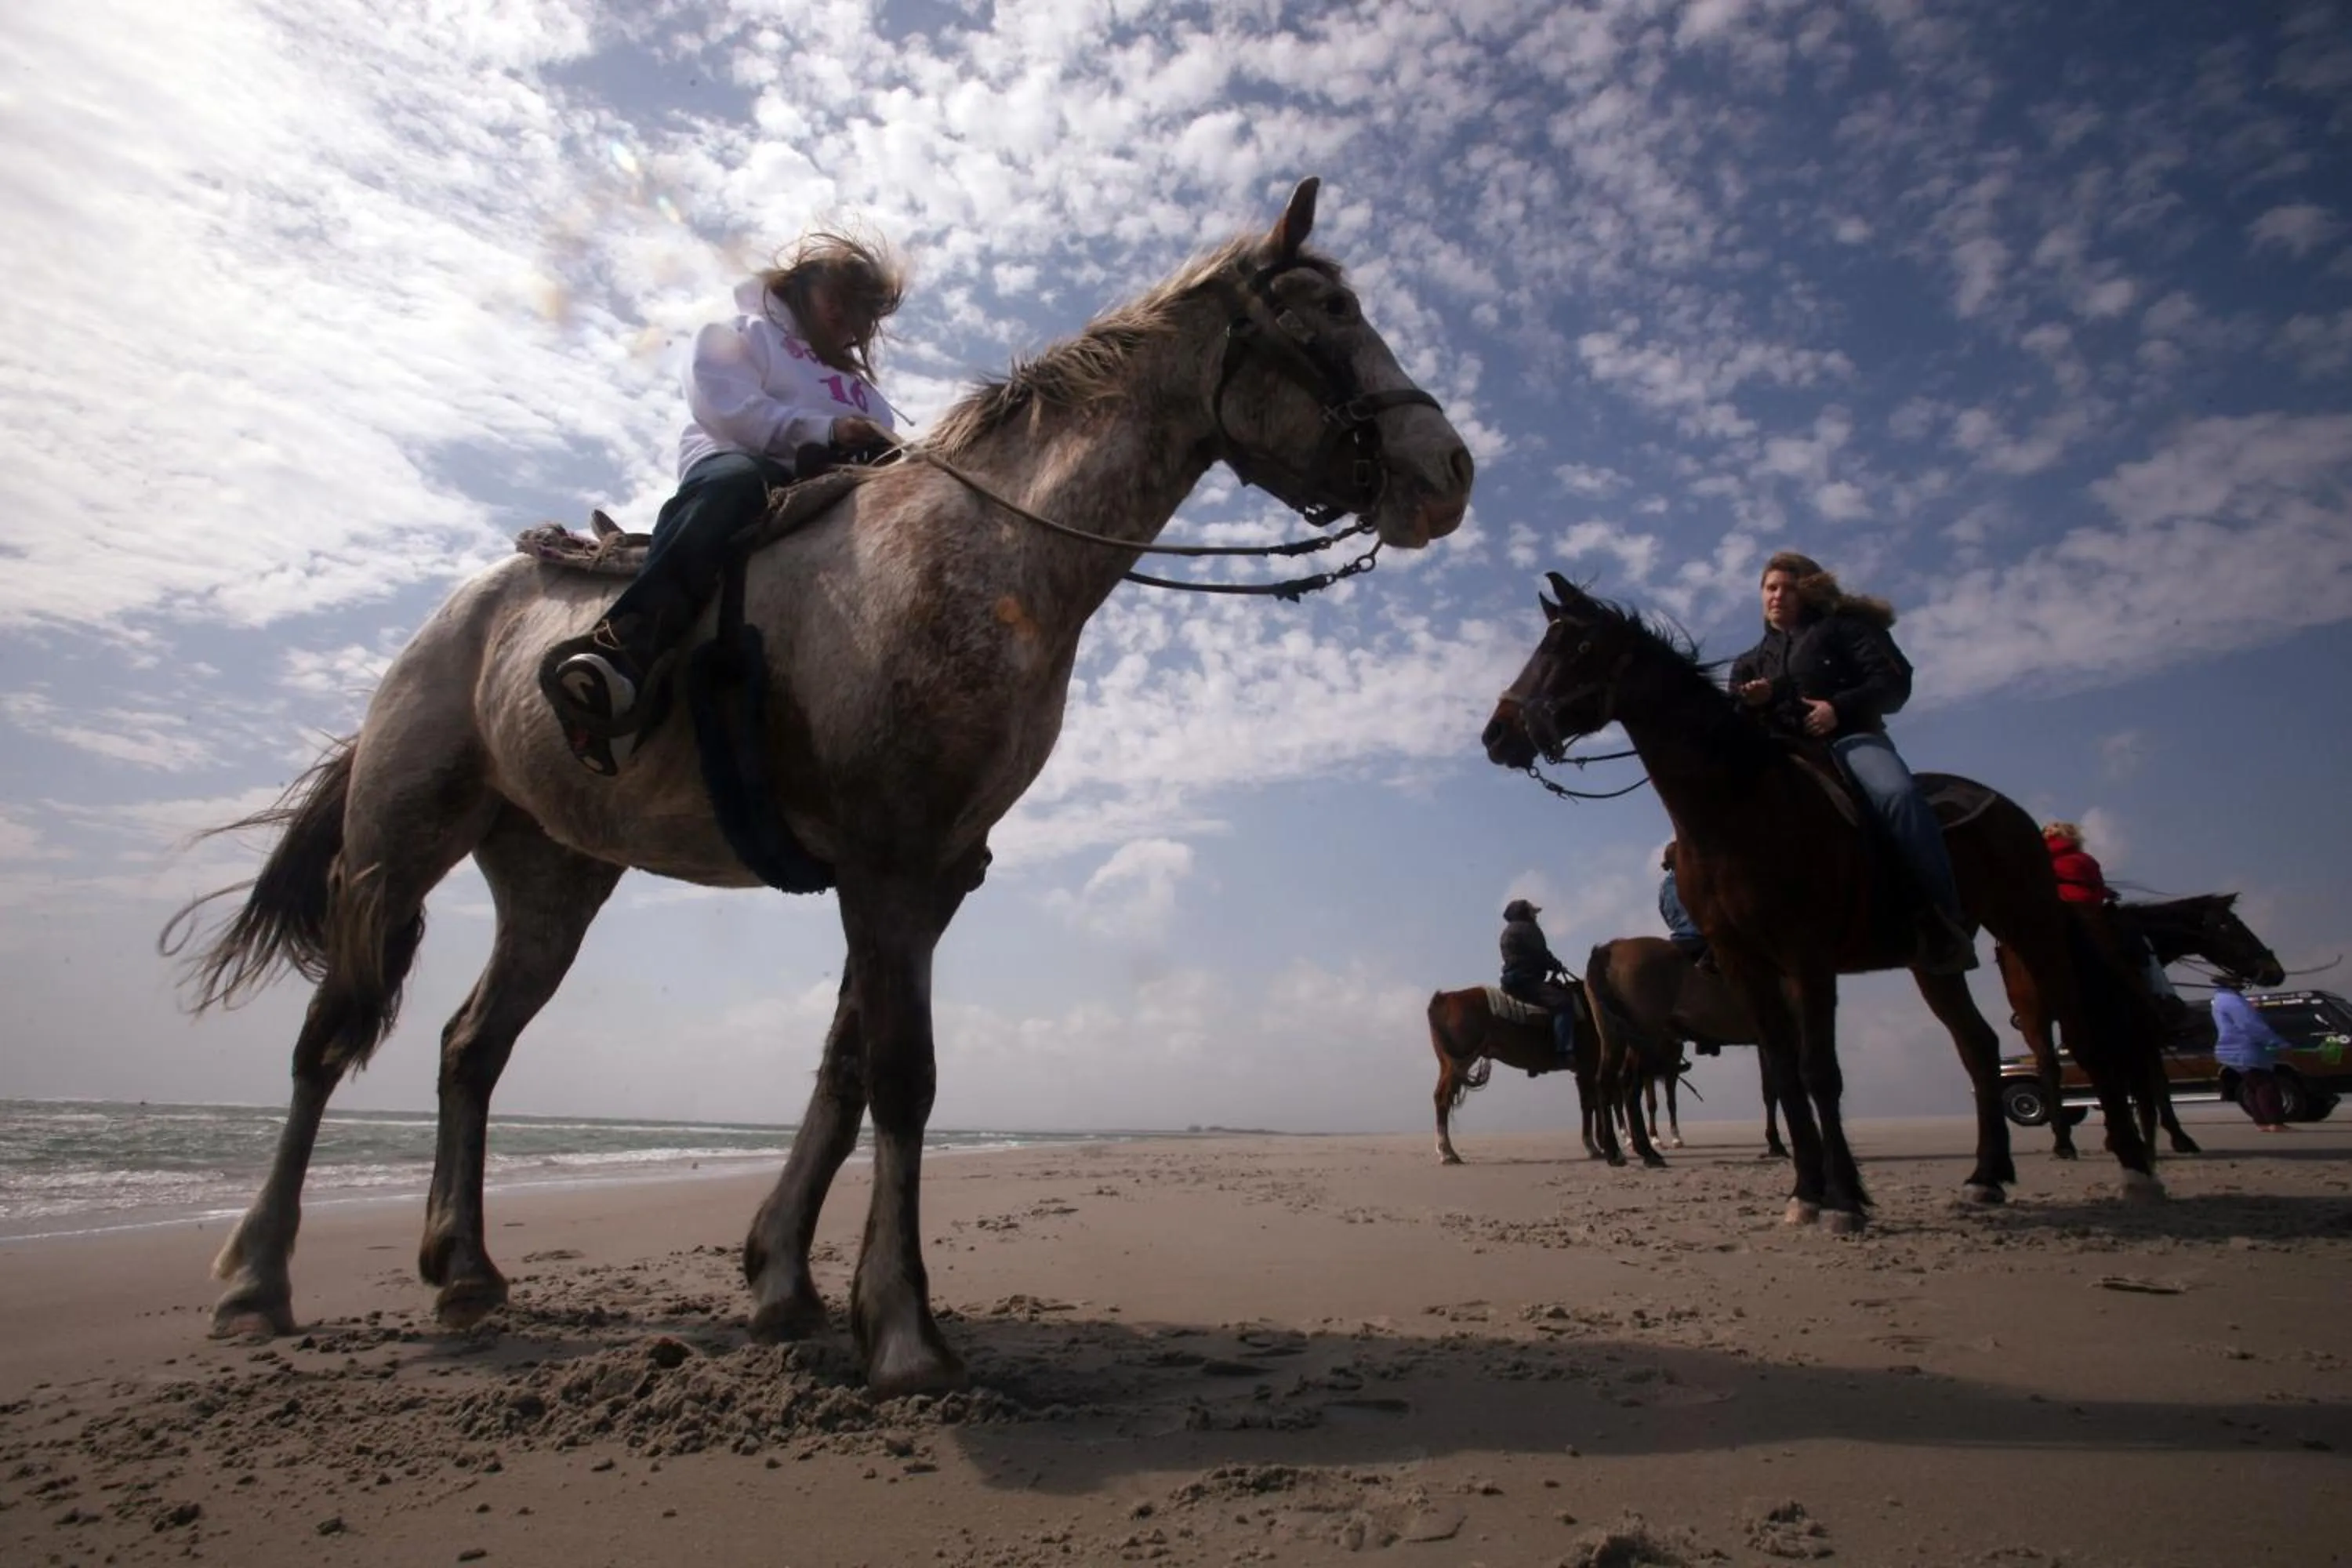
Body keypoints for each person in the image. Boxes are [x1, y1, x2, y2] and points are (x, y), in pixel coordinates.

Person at [550, 228, 908, 774]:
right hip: (741, 463)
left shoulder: (870, 397)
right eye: (838, 294)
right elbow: (727, 407)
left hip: (837, 488)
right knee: (736, 481)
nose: (848, 314)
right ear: (804, 286)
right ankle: (626, 650)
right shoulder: (742, 334)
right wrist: (826, 431)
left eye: (863, 309)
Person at [1729, 550, 1976, 975]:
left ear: (1807, 592)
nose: (1778, 596)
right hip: (1784, 757)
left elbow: (1893, 683)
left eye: (1788, 588)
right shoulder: (1749, 662)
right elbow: (1734, 730)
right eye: (1771, 588)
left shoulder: (1846, 629)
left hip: (1852, 740)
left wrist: (1837, 708)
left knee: (1897, 796)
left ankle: (1941, 918)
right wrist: (1751, 705)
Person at [2042, 820, 2182, 1011]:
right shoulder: (2085, 859)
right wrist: (2105, 893)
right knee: (2141, 944)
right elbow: (2092, 889)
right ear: (2072, 837)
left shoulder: (2039, 859)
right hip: (2087, 912)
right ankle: (2163, 995)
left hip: (2055, 914)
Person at [1499, 898, 1578, 1068]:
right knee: (1563, 1003)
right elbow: (1542, 954)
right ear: (1525, 913)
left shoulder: (1508, 931)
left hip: (1510, 980)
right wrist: (1556, 965)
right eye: (1533, 912)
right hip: (1527, 980)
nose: (1536, 915)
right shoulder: (1529, 929)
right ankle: (1564, 1052)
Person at [2211, 974, 2295, 1132]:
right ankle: (2276, 1123)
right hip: (2244, 1049)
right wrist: (2277, 1042)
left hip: (2232, 1050)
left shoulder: (2221, 999)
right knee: (2266, 1085)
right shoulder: (2233, 1001)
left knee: (2252, 1087)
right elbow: (2251, 1025)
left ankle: (2262, 1122)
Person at [1658, 841, 1709, 964]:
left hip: (1679, 940)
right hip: (1701, 939)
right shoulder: (1696, 878)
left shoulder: (1664, 887)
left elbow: (1666, 916)